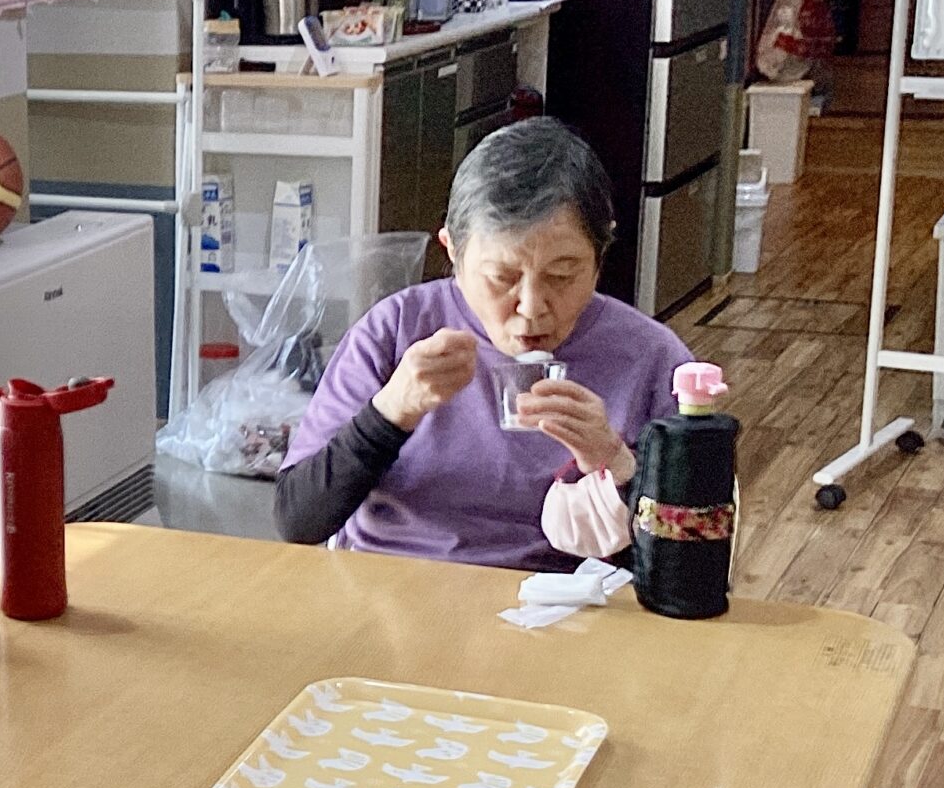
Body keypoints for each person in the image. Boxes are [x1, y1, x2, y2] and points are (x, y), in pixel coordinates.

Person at [274, 118, 695, 571]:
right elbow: (298, 520)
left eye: (562, 275)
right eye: (502, 277)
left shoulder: (651, 357)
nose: (531, 307)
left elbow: (689, 560)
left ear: (600, 256)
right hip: (394, 582)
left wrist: (618, 465)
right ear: (452, 251)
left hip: (567, 597)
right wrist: (391, 412)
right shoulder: (396, 330)